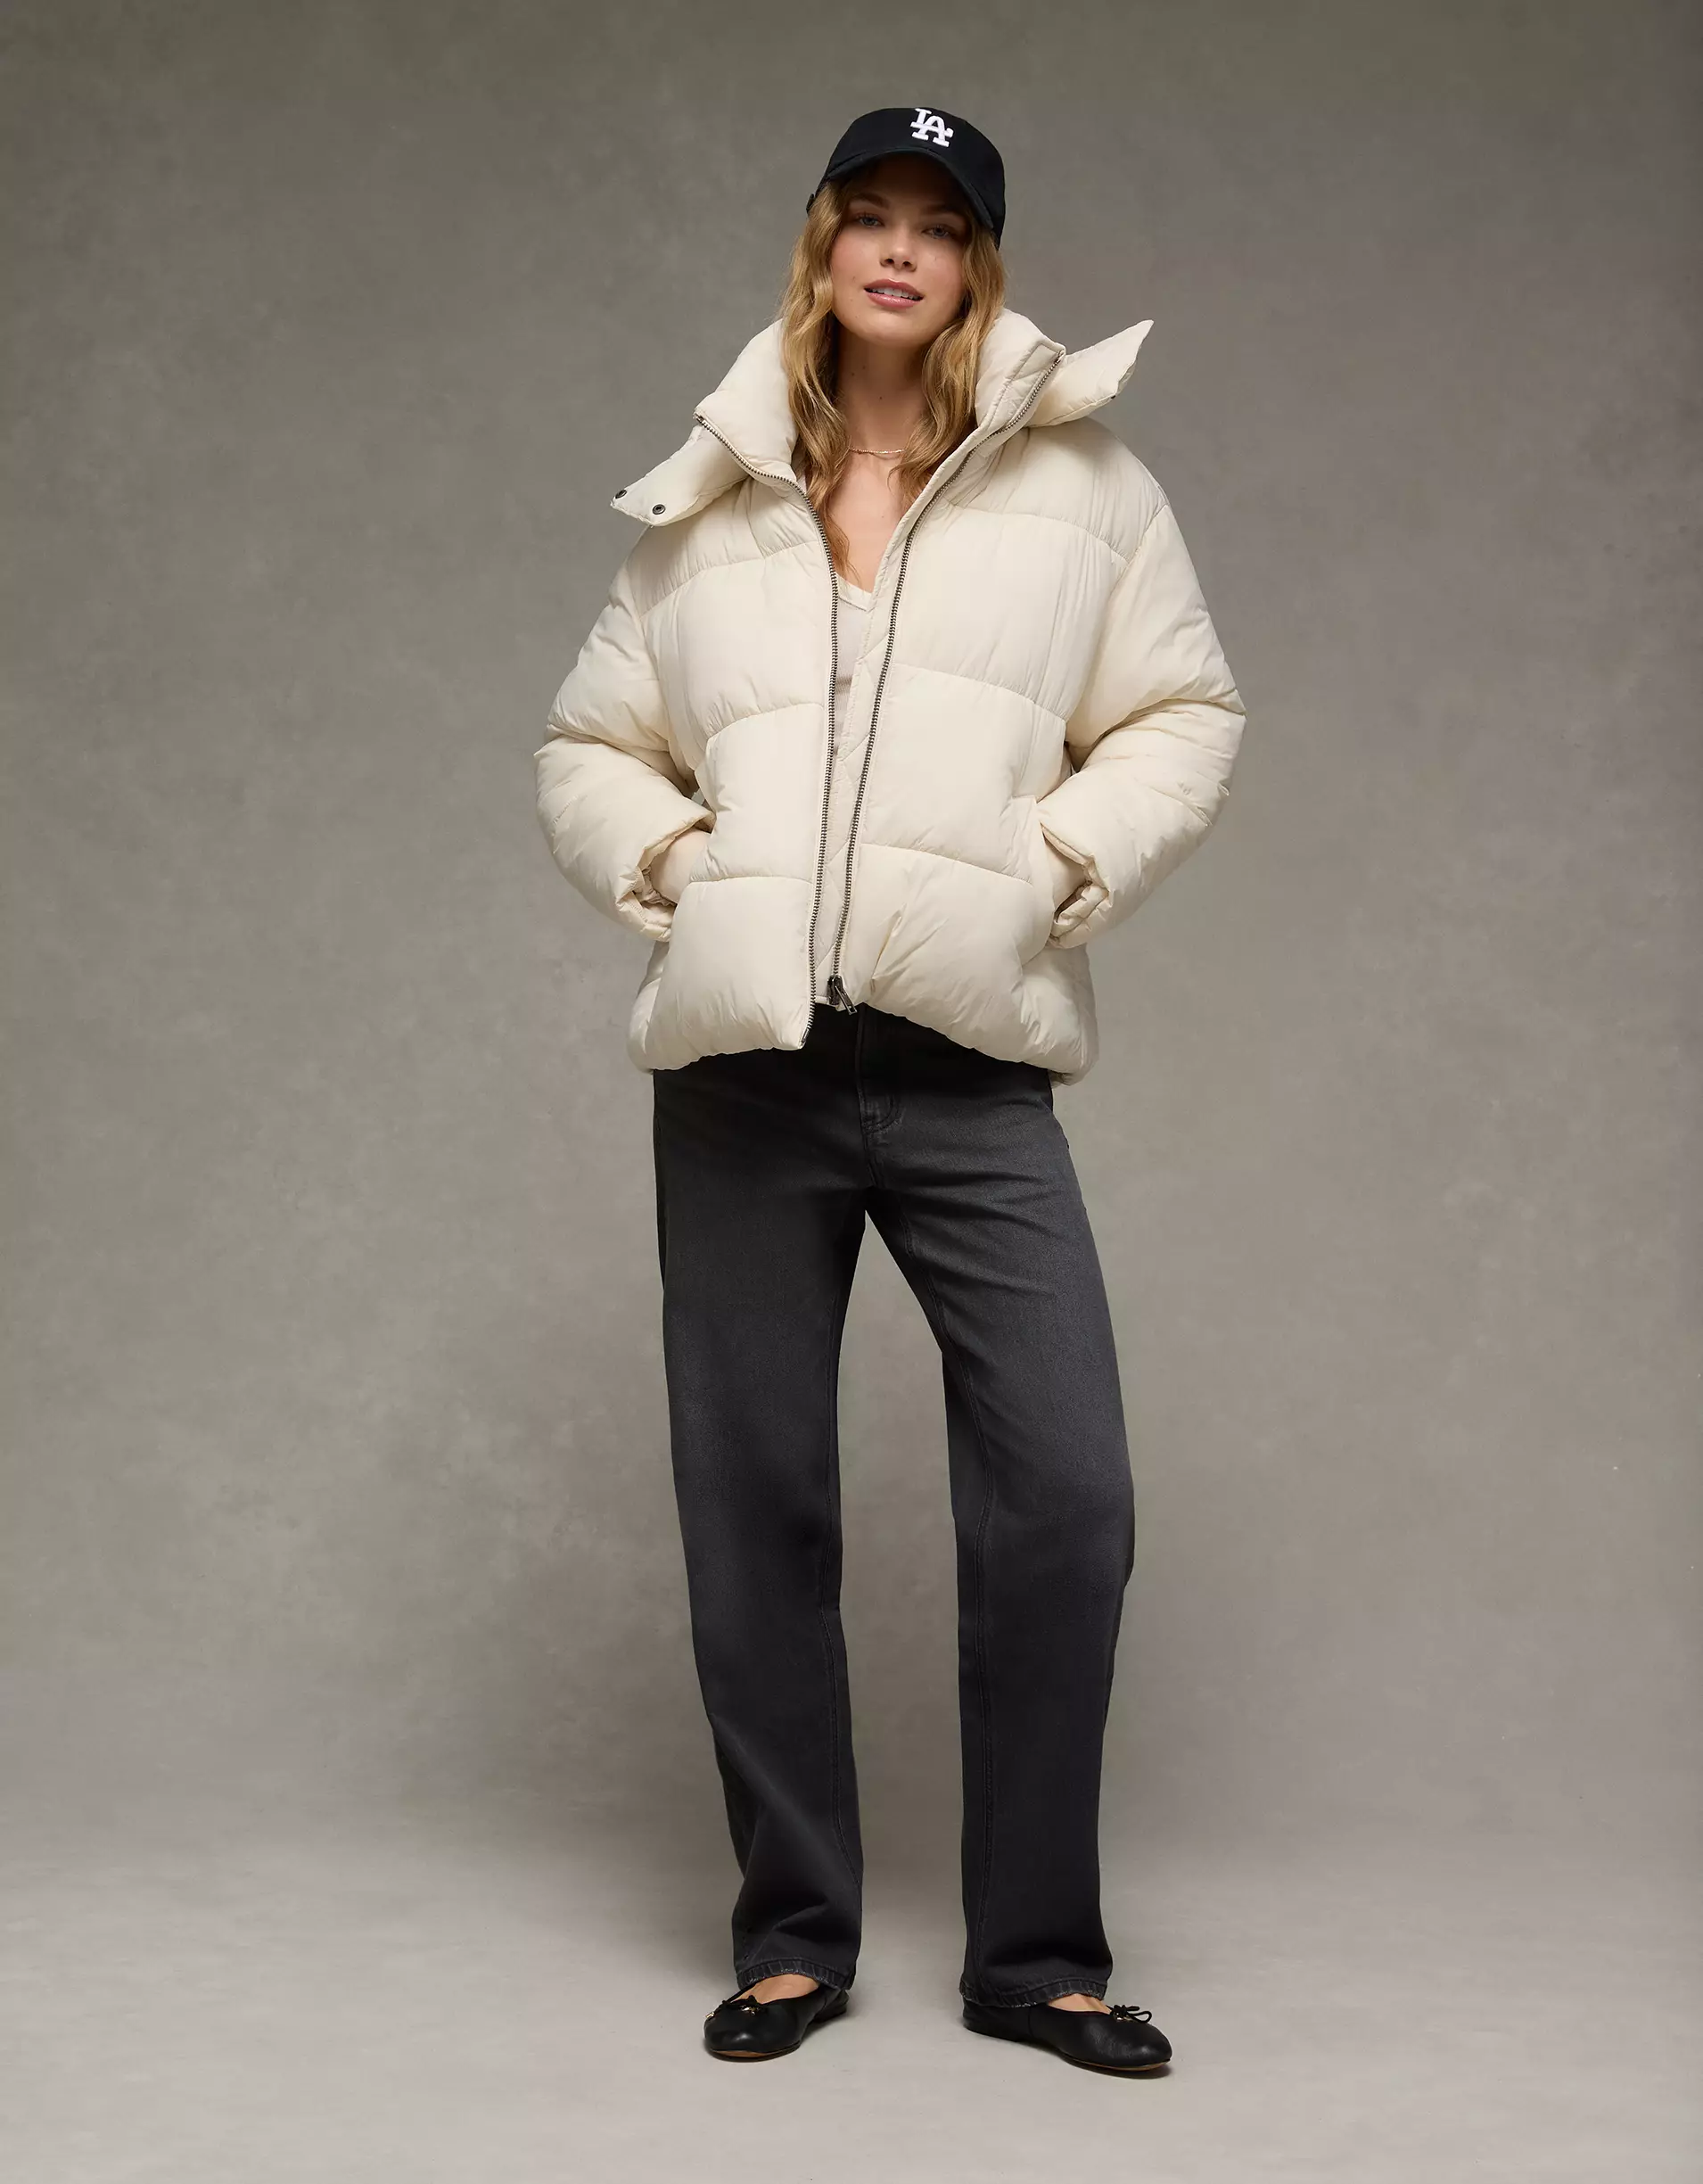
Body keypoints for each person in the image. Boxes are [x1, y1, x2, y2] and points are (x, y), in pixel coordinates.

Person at [534, 104, 1246, 2073]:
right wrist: (678, 867)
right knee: (752, 1500)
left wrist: (1052, 865)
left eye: (942, 223)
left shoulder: (1086, 494)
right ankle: (791, 1935)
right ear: (824, 243)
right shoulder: (717, 492)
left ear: (978, 266)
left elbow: (1185, 712)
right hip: (746, 1082)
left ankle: (1035, 1958)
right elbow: (590, 742)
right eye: (871, 214)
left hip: (967, 1072)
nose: (902, 249)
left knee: (1066, 1500)